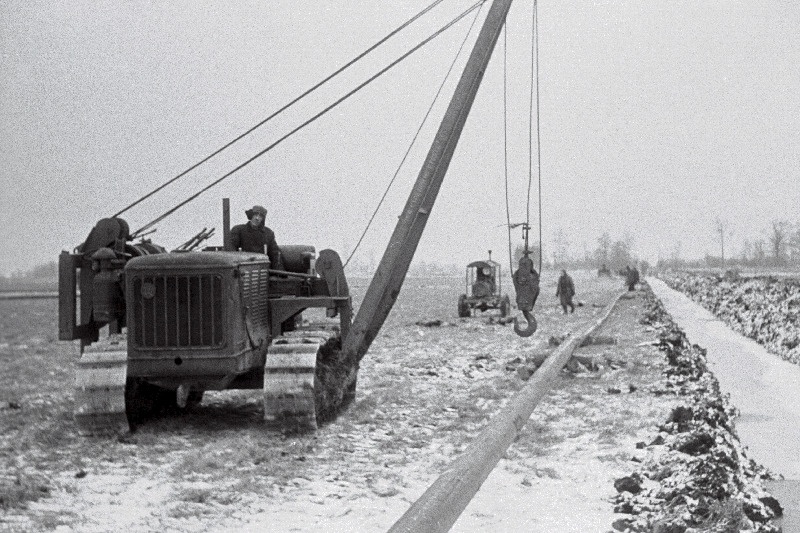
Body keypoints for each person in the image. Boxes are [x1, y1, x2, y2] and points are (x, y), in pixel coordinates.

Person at [230, 205, 283, 269]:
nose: (257, 218)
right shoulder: (238, 230)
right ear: (251, 215)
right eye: (255, 215)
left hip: (262, 269)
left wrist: (279, 272)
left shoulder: (268, 233)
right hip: (243, 268)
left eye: (260, 216)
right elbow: (231, 249)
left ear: (263, 219)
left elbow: (275, 253)